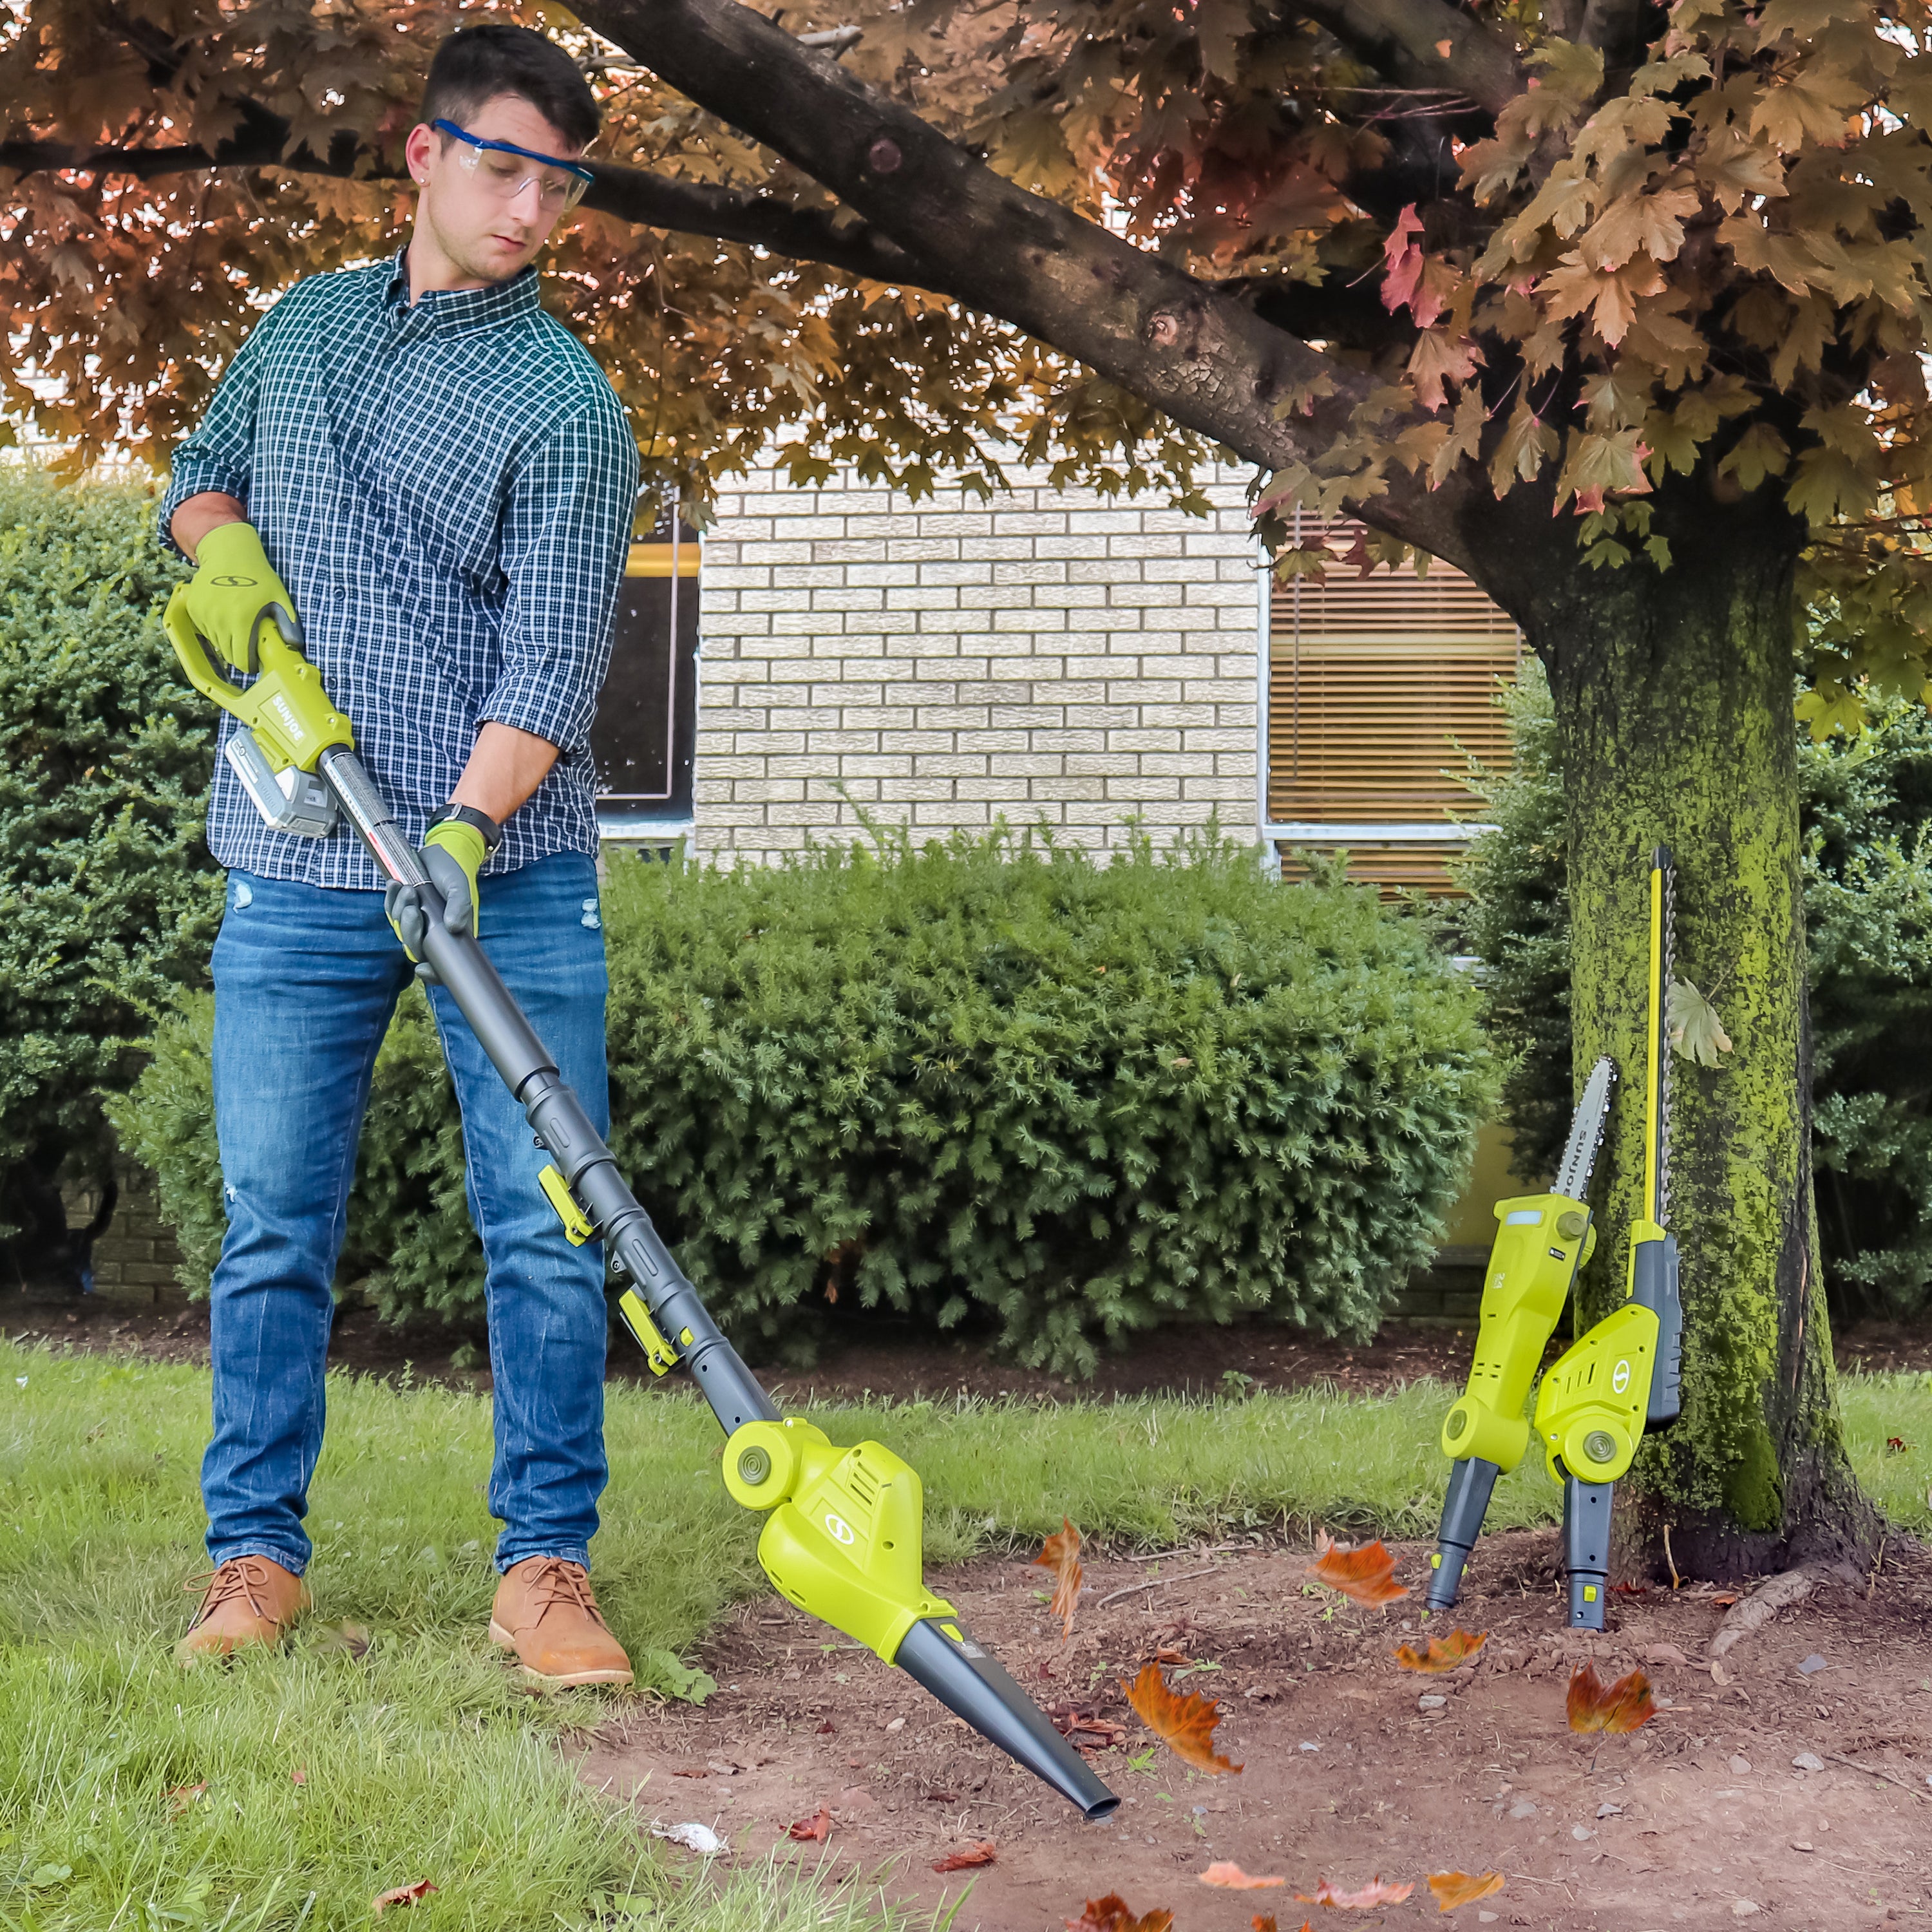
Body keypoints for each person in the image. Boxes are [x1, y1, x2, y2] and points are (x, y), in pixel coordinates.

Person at [158, 22, 640, 1686]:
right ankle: (253, 1560)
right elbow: (199, 476)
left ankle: (546, 1572)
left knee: (544, 1228)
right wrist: (219, 556)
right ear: (423, 158)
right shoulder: (296, 332)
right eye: (503, 168)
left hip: (504, 879)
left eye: (558, 183)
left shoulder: (564, 406)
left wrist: (459, 830)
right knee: (274, 1225)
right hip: (294, 866)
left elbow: (557, 663)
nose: (530, 209)